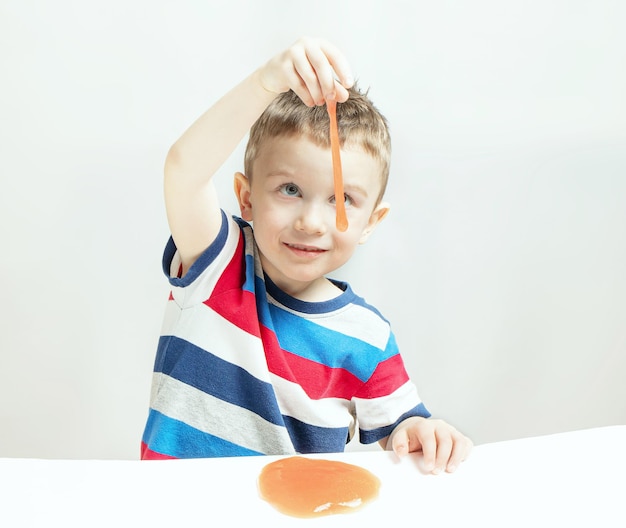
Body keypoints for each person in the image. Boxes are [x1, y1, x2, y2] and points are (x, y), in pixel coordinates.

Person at [141, 37, 472, 474]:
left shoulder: (367, 337)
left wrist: (426, 434)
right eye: (290, 190)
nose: (312, 222)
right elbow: (184, 169)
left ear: (371, 221)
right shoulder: (217, 261)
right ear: (247, 198)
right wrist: (265, 83)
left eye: (343, 199)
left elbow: (405, 429)